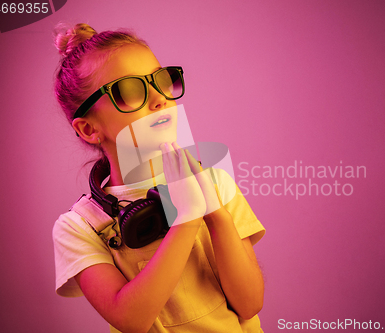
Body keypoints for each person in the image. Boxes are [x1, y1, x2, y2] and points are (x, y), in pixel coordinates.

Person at [52, 23, 265, 333]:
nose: (159, 100)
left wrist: (216, 215)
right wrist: (187, 219)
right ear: (89, 129)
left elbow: (250, 303)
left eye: (161, 81)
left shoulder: (216, 183)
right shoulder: (79, 227)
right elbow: (131, 320)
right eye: (129, 90)